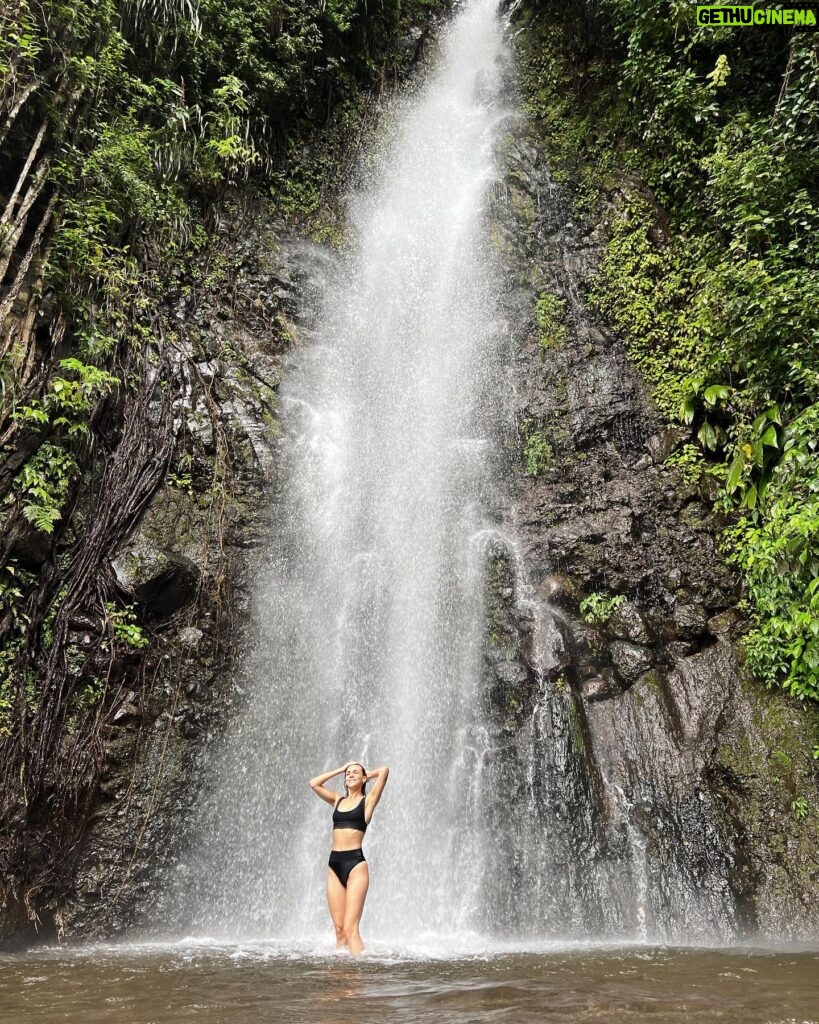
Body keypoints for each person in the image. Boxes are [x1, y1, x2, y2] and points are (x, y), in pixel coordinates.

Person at [308, 760, 389, 955]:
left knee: (352, 930)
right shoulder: (338, 800)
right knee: (340, 931)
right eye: (348, 774)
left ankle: (357, 978)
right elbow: (314, 783)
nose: (350, 775)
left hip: (355, 865)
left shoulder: (368, 801)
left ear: (363, 778)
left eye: (355, 773)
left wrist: (365, 773)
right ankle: (341, 979)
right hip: (334, 865)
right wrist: (341, 769)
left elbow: (384, 771)